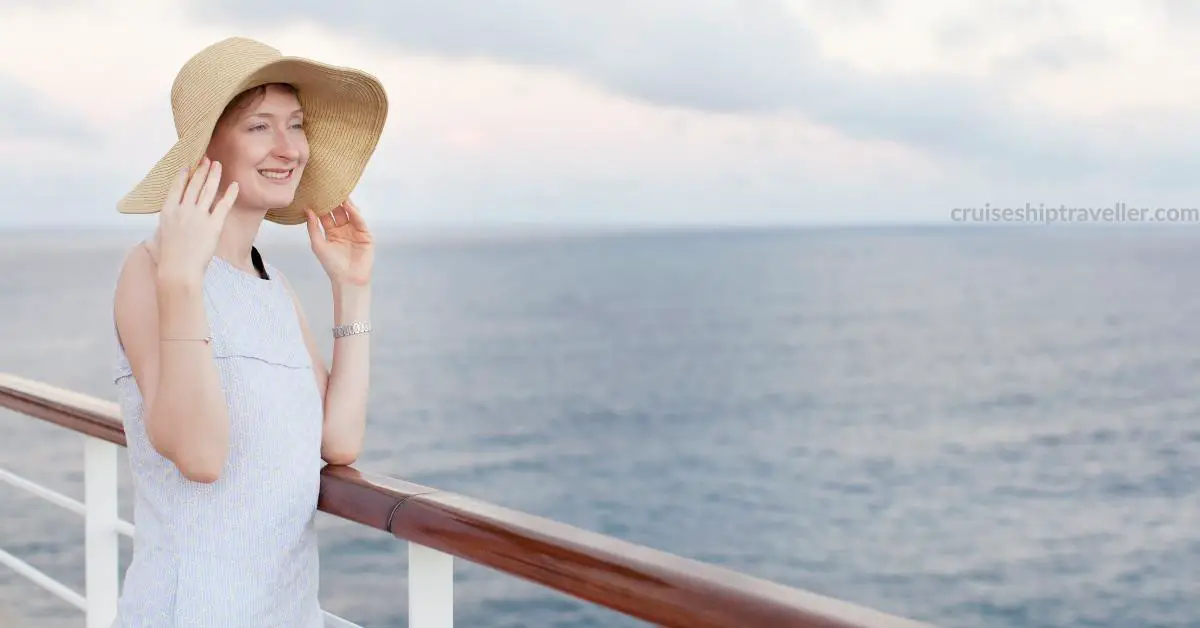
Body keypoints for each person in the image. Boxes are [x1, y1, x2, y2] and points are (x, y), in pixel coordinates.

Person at [109, 37, 389, 626]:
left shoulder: (273, 285)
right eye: (260, 126)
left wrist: (352, 288)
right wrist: (183, 278)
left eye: (296, 124)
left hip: (288, 612)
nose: (290, 148)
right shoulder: (152, 271)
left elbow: (337, 442)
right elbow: (201, 455)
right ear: (206, 147)